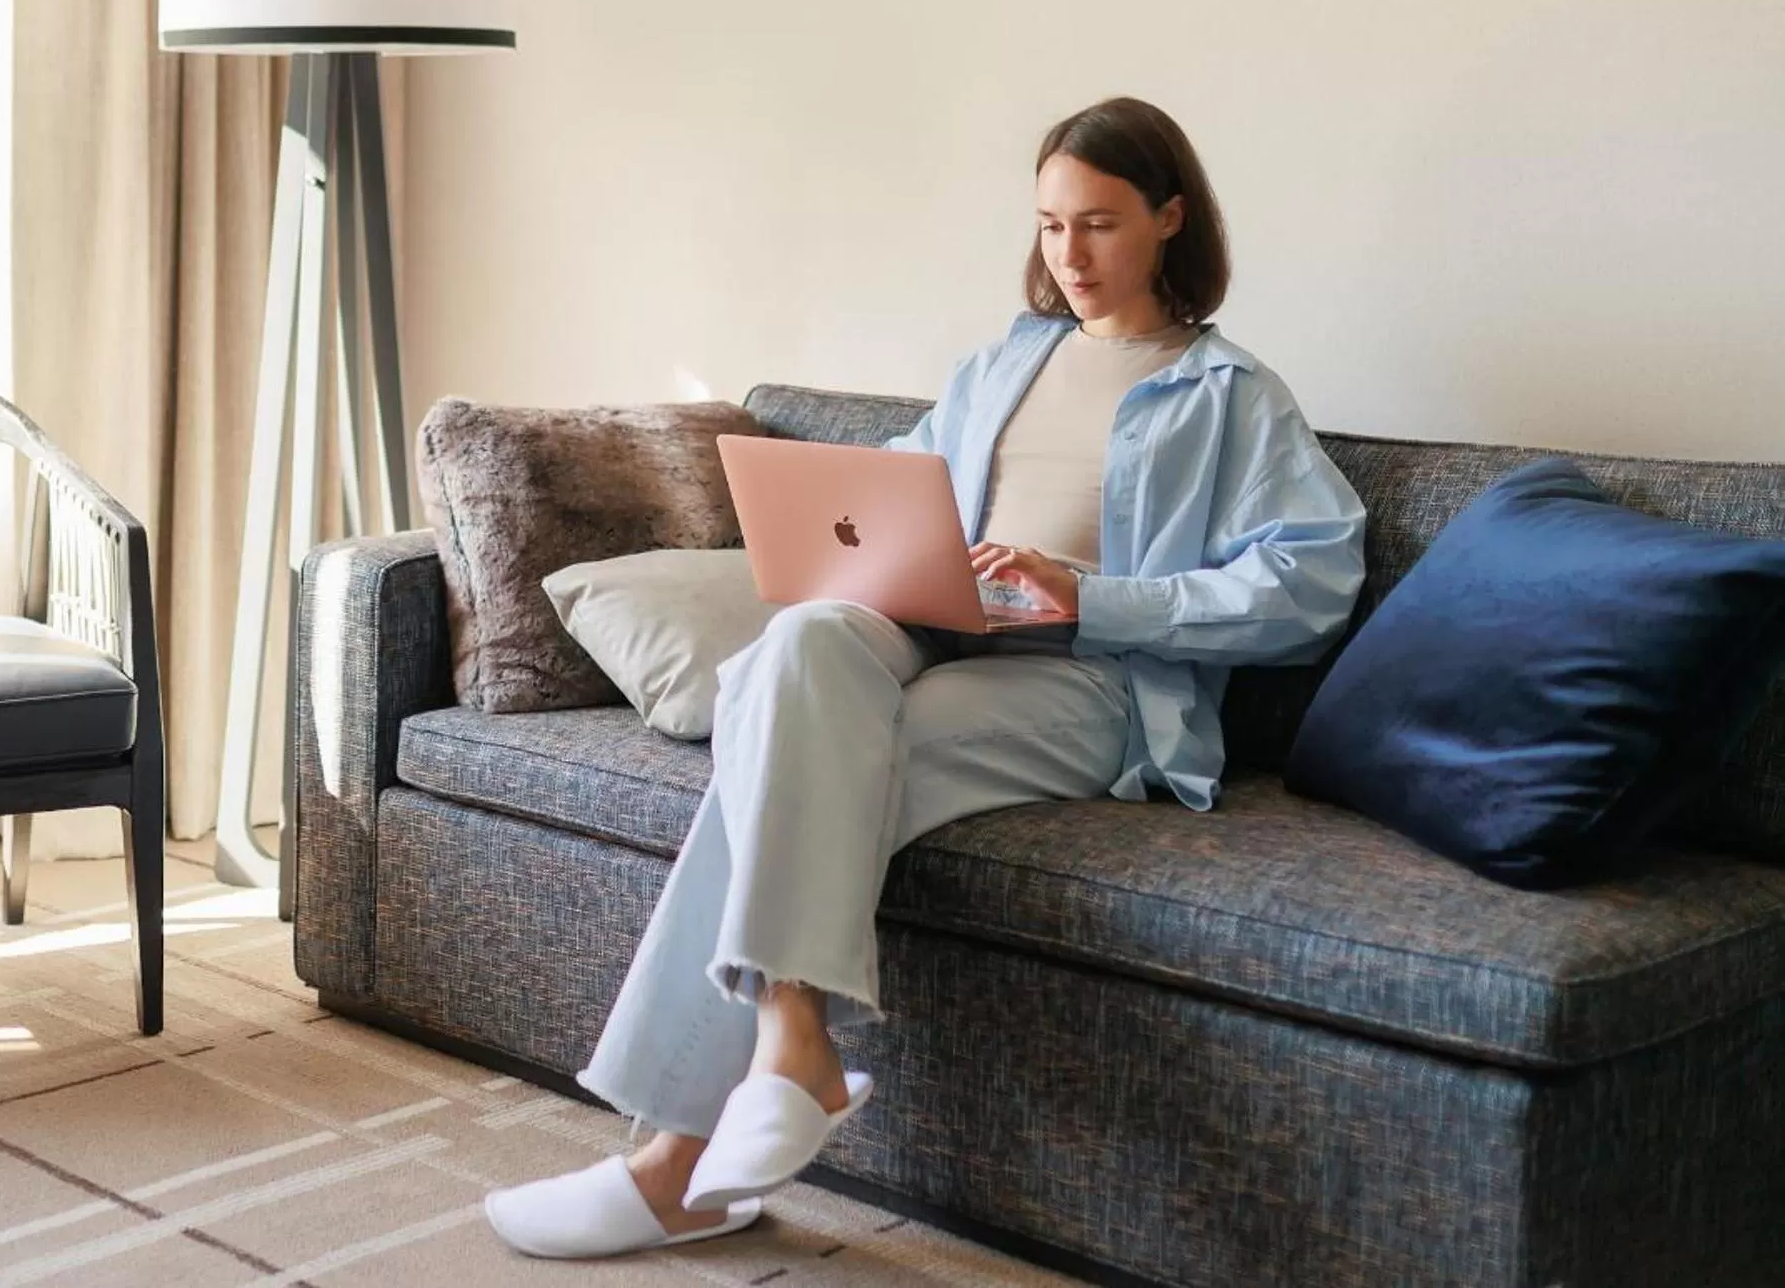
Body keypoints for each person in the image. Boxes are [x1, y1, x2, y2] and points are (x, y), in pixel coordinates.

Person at [483, 97, 1369, 1259]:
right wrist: (868, 546)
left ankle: (676, 1166)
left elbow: (1309, 586)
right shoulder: (1008, 357)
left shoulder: (1230, 395)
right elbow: (906, 487)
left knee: (802, 753)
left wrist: (1086, 594)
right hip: (941, 619)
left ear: (1168, 218)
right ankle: (791, 1035)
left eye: (1099, 223)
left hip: (1090, 678)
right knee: (791, 657)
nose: (1071, 255)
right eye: (1051, 225)